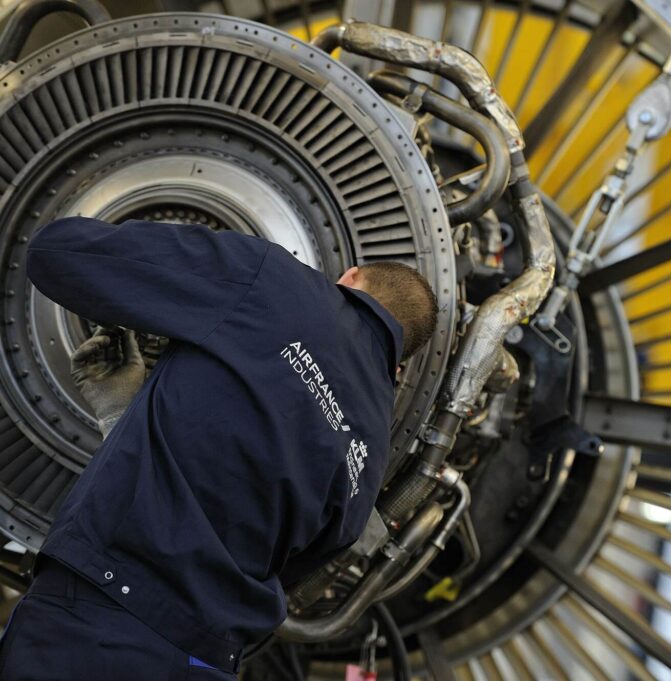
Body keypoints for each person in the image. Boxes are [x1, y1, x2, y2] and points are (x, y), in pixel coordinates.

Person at [0, 216, 438, 680]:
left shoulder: (275, 279)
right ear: (400, 363)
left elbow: (57, 253)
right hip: (205, 659)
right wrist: (126, 416)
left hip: (95, 619)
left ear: (348, 278)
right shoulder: (369, 461)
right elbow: (283, 569)